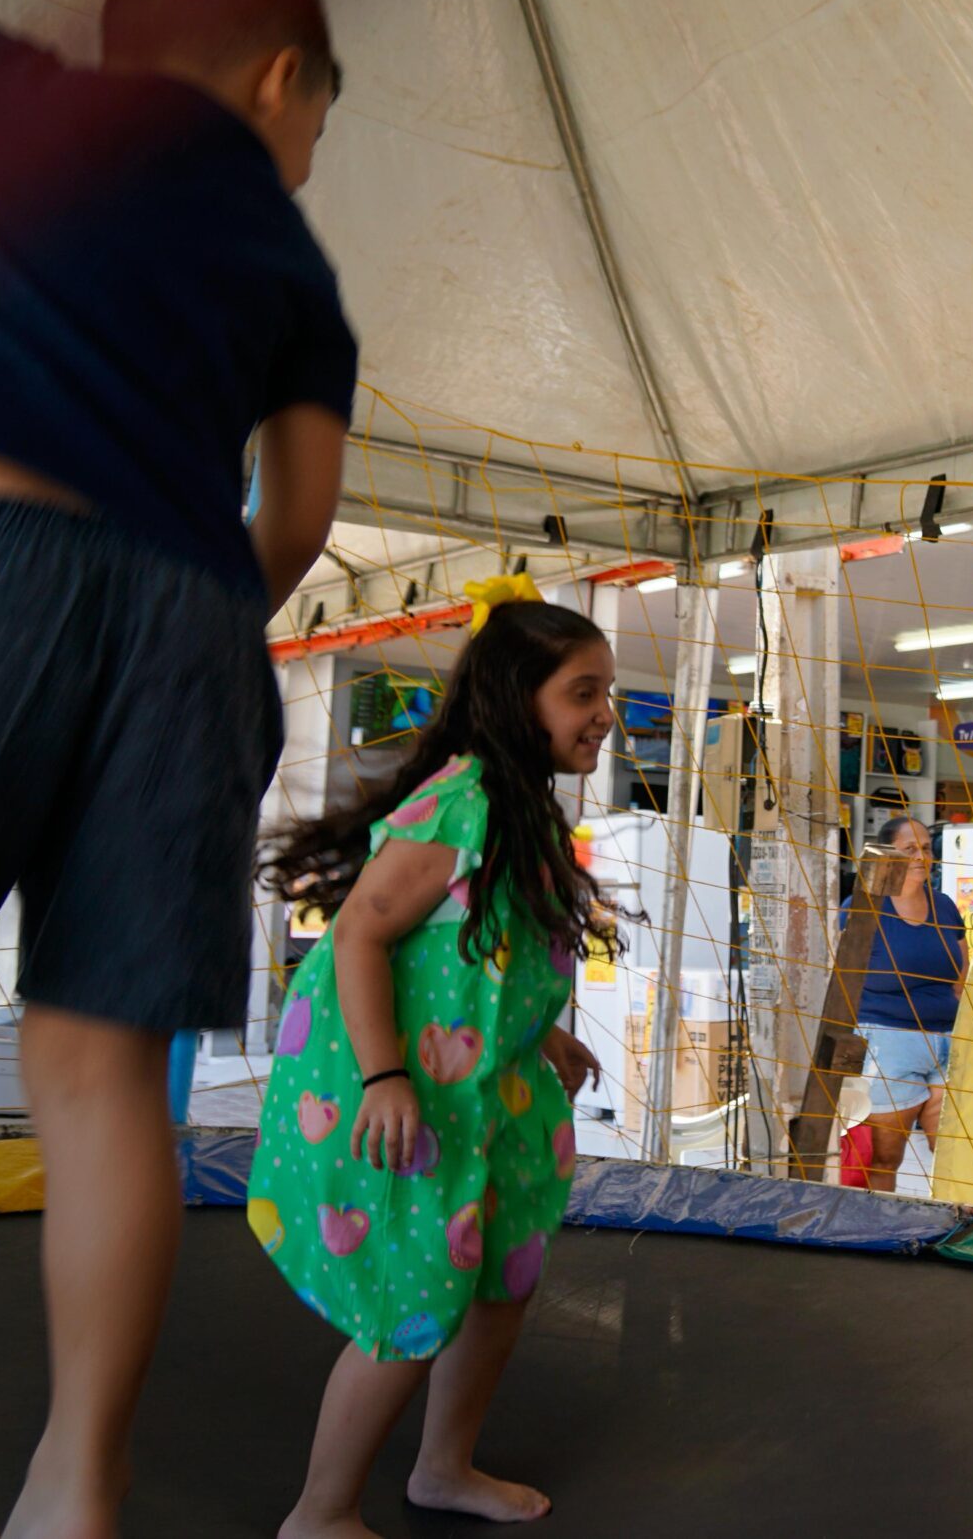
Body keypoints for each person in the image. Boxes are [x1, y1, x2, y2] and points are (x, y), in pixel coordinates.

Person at [0, 0, 354, 1536]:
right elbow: (297, 517)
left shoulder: (10, 94)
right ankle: (74, 1484)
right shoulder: (293, 266)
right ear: (283, 77)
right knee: (102, 1080)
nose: (307, 154)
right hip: (190, 621)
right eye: (321, 122)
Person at [253, 596, 614, 1539]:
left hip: (492, 1093)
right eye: (584, 691)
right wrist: (383, 1077)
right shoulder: (463, 803)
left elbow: (479, 957)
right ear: (516, 696)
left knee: (503, 1281)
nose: (605, 712)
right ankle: (320, 1511)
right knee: (413, 1300)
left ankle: (443, 1466)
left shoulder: (523, 809)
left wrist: (540, 1034)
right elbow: (362, 937)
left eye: (606, 691)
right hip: (414, 1101)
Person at [843, 815, 968, 1192]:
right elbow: (840, 980)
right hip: (888, 1044)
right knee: (885, 1157)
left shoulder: (944, 906)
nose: (920, 857)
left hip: (946, 1041)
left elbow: (963, 974)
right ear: (887, 854)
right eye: (909, 849)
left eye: (926, 848)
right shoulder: (862, 907)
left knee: (954, 1153)